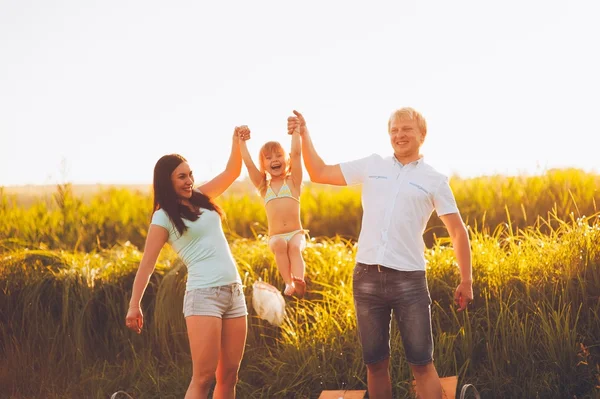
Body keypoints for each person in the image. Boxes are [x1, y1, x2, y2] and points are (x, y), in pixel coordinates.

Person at [288, 109, 473, 399]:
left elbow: (458, 231)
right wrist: (304, 133)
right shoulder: (373, 165)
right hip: (366, 279)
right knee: (375, 364)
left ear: (422, 135)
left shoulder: (434, 179)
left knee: (422, 364)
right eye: (394, 130)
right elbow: (319, 172)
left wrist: (467, 279)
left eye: (407, 129)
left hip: (409, 281)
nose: (399, 135)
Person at [125, 126, 249, 399]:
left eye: (190, 174)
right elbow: (146, 265)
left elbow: (231, 173)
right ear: (166, 182)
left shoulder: (202, 197)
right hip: (204, 296)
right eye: (181, 176)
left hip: (234, 292)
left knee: (229, 376)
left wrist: (236, 142)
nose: (189, 180)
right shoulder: (163, 217)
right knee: (203, 378)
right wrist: (135, 305)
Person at [238, 124, 308, 297]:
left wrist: (295, 133)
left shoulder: (293, 182)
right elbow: (247, 163)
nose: (274, 160)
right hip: (275, 236)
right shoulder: (263, 186)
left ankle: (299, 281)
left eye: (279, 155)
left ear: (287, 160)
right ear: (263, 164)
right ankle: (288, 283)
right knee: (279, 244)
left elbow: (297, 155)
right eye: (268, 158)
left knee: (294, 247)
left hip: (296, 233)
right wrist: (242, 141)